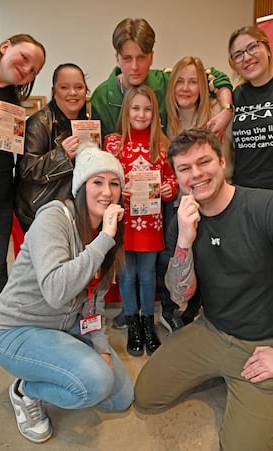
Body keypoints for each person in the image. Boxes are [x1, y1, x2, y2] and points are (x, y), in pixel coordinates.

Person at [134, 128, 273, 451]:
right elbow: (179, 296)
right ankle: (226, 373)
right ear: (176, 177)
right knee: (146, 395)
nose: (196, 174)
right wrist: (185, 241)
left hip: (267, 342)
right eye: (185, 169)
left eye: (204, 162)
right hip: (213, 329)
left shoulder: (268, 208)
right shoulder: (184, 220)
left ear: (222, 161)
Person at [92, 17, 234, 329]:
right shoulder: (102, 96)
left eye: (141, 57)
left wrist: (226, 108)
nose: (134, 66)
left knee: (167, 257)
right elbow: (105, 159)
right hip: (129, 210)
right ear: (116, 59)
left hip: (163, 201)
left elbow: (216, 75)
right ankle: (138, 315)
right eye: (127, 58)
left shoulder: (163, 79)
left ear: (152, 57)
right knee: (134, 267)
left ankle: (167, 312)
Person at [0, 145, 134, 443]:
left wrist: (102, 348)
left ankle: (60, 367)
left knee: (119, 397)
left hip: (63, 326)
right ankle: (25, 391)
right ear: (81, 186)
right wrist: (103, 240)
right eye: (97, 182)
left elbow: (94, 300)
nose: (107, 191)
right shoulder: (55, 217)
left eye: (114, 183)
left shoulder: (107, 232)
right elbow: (56, 291)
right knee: (95, 382)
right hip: (16, 331)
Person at [158, 55, 234, 333]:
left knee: (206, 261)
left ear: (204, 85)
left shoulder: (217, 115)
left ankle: (195, 313)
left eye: (193, 81)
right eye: (180, 81)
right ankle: (170, 311)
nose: (186, 88)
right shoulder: (165, 117)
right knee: (172, 257)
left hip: (211, 205)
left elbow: (225, 163)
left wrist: (226, 105)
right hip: (175, 204)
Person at [104, 84, 178, 357]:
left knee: (147, 275)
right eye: (136, 108)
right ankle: (132, 321)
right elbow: (105, 178)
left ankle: (149, 322)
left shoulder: (161, 144)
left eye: (147, 109)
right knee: (127, 274)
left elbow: (171, 177)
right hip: (124, 222)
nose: (141, 114)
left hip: (151, 223)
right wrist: (116, 189)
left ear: (155, 113)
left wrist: (170, 188)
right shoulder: (113, 143)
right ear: (126, 110)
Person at [0, 33, 45, 373]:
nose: (25, 70)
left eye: (32, 70)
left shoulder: (11, 97)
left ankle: (0, 333)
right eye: (24, 59)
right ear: (5, 45)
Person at [15, 63, 90, 232]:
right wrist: (62, 156)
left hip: (76, 212)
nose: (72, 93)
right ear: (54, 90)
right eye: (64, 87)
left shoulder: (89, 121)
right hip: (40, 212)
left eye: (79, 87)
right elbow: (27, 169)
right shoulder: (39, 123)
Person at [229, 25, 273, 192]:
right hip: (244, 192)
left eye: (252, 47)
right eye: (238, 55)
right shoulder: (236, 95)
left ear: (267, 49)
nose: (247, 58)